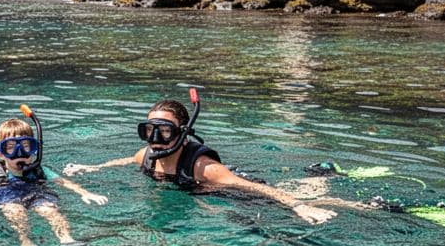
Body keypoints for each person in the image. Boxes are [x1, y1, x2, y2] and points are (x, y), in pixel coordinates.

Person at [62, 90, 339, 224]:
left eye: (165, 132)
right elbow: (123, 161)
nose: (156, 140)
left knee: (307, 200)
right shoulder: (147, 155)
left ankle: (323, 176)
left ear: (182, 134)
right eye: (149, 131)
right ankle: (317, 177)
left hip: (231, 187)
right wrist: (92, 167)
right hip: (202, 194)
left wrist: (299, 207)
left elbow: (256, 188)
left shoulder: (204, 168)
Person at [0, 106, 107, 246]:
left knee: (50, 210)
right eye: (11, 148)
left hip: (36, 193)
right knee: (15, 211)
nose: (19, 153)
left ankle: (66, 238)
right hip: (8, 196)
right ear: (0, 153)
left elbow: (64, 182)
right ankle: (25, 241)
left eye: (26, 146)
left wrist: (84, 193)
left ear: (35, 149)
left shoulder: (40, 170)